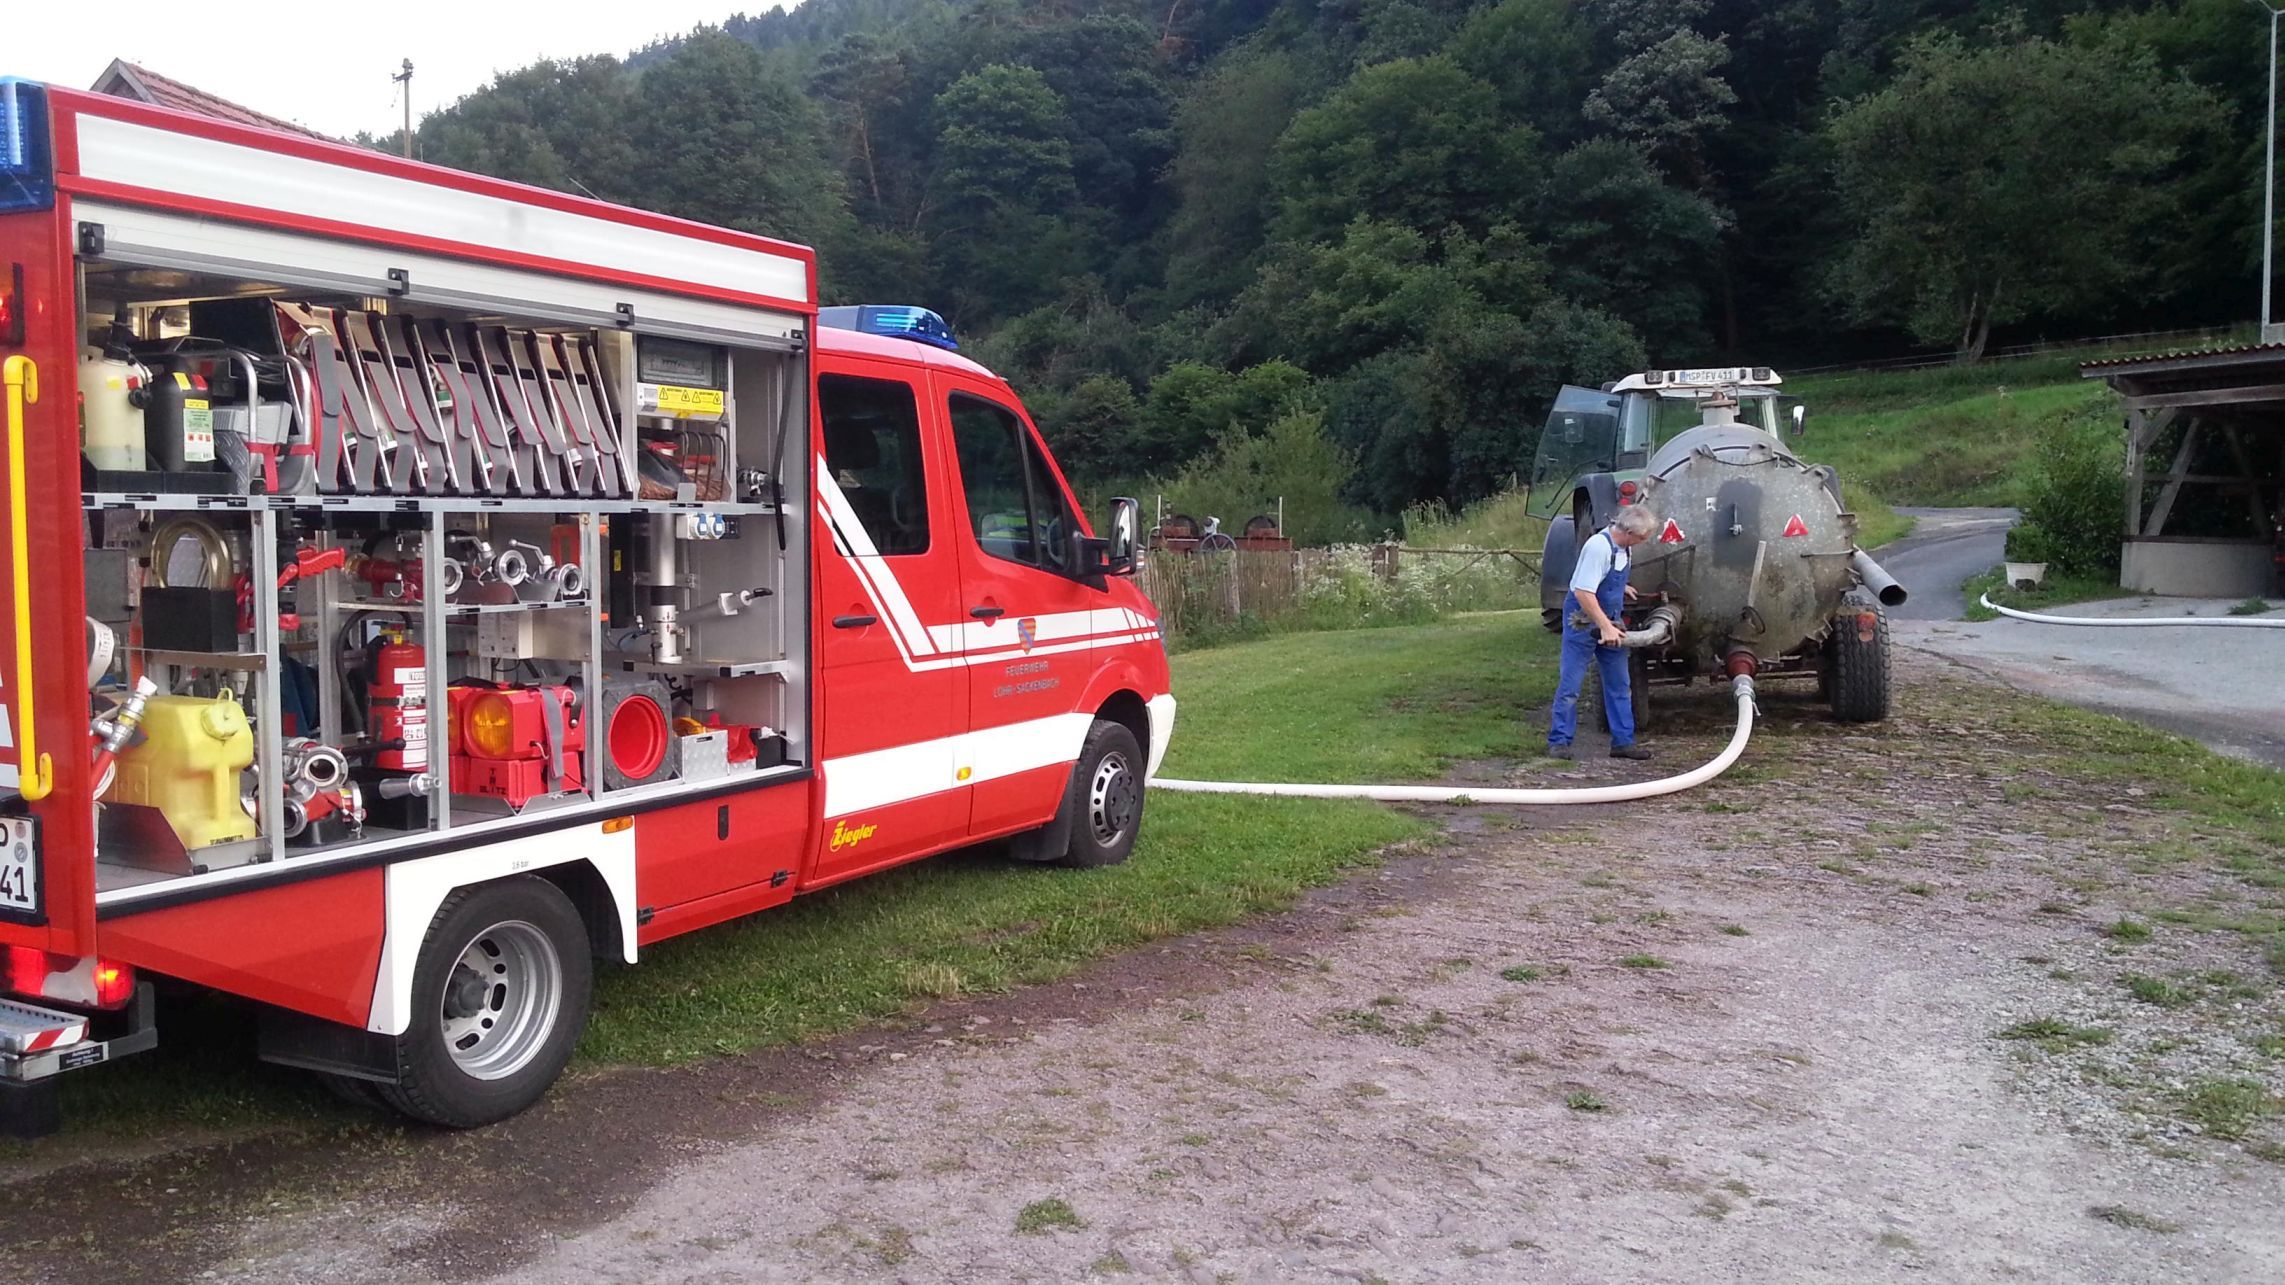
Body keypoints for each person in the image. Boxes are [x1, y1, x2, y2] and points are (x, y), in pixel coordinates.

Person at [1548, 504, 1659, 761]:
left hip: (1611, 619)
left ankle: (1623, 742)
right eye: (1642, 538)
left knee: (1620, 684)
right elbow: (1583, 593)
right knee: (1571, 683)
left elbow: (1606, 576)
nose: (1643, 542)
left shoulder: (1625, 547)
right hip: (1581, 621)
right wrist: (1605, 626)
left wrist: (1621, 587)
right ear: (1629, 532)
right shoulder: (1598, 547)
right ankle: (1559, 741)